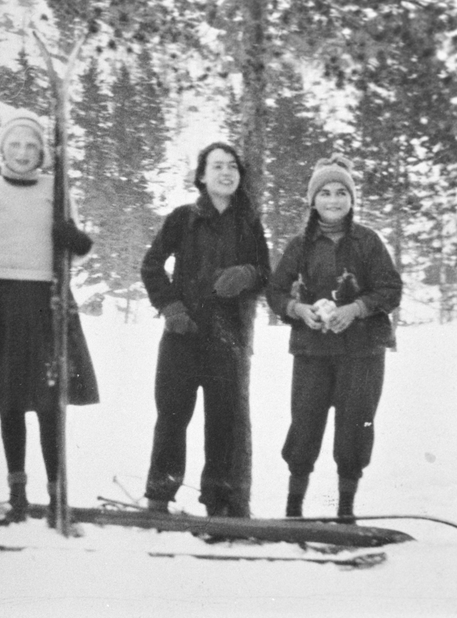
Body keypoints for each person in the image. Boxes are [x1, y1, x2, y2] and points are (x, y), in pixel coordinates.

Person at [0, 111, 99, 526]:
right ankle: (17, 495)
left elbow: (73, 247)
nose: (22, 153)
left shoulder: (57, 188)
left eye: (31, 146)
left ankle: (56, 497)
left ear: (42, 153)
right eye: (14, 145)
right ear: (2, 149)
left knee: (50, 401)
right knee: (9, 400)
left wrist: (76, 241)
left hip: (46, 297)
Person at [265, 154, 402, 520]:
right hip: (312, 352)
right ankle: (293, 509)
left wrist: (355, 309)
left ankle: (345, 511)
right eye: (324, 192)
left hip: (362, 352)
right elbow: (276, 292)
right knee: (304, 425)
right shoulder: (300, 245)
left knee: (355, 428)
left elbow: (390, 290)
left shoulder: (368, 242)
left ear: (352, 199)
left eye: (341, 192)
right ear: (312, 200)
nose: (333, 200)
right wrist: (299, 310)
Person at [140, 142, 271, 518]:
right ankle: (158, 500)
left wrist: (246, 274)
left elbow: (266, 273)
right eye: (217, 167)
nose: (226, 173)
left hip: (226, 336)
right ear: (201, 176)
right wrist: (170, 307)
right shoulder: (182, 218)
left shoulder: (247, 224)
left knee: (222, 422)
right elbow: (151, 266)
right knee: (172, 417)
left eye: (232, 167)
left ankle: (218, 505)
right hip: (182, 334)